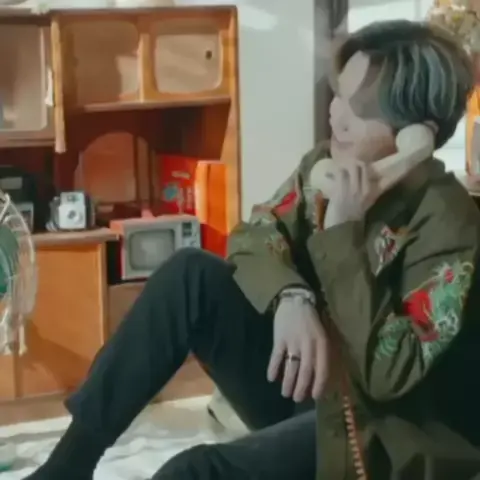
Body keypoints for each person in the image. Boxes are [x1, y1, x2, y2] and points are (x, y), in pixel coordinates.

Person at [26, 19, 480, 480]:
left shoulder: (449, 223)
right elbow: (254, 235)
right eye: (338, 95)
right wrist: (291, 298)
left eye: (357, 109)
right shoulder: (325, 169)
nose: (335, 115)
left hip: (385, 434)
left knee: (194, 471)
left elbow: (391, 374)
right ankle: (63, 470)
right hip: (311, 393)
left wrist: (343, 230)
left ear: (415, 137)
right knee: (190, 275)